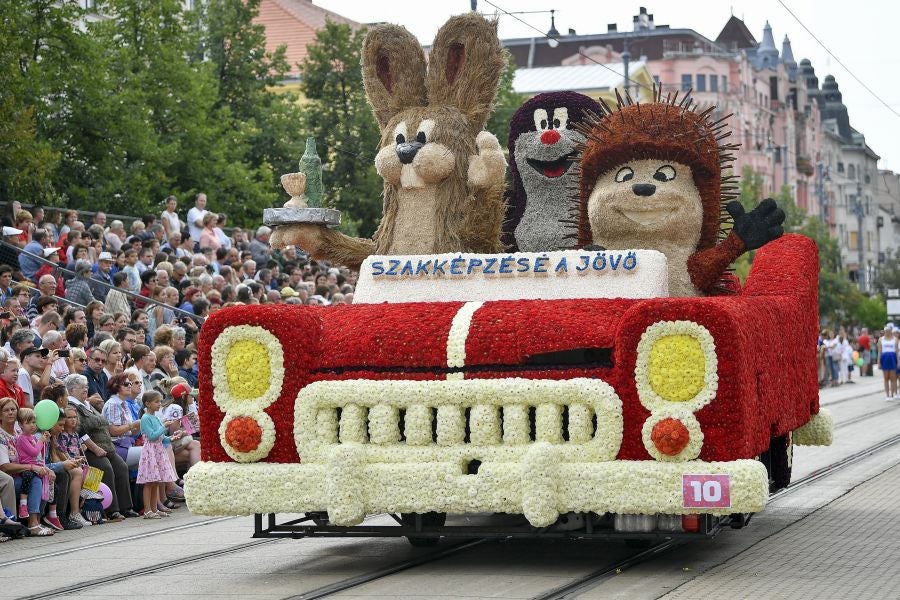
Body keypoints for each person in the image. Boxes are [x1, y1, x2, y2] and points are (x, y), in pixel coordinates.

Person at [65, 374, 137, 520]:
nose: (86, 389)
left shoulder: (86, 404)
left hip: (106, 447)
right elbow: (80, 431)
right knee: (106, 468)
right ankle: (111, 510)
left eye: (86, 386)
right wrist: (95, 448)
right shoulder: (72, 406)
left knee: (121, 467)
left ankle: (126, 507)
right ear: (72, 390)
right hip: (90, 449)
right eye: (81, 387)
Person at [0, 397, 52, 536]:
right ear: (0, 415)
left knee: (49, 475)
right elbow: (4, 467)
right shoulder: (1, 436)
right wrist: (31, 467)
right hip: (11, 479)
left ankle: (41, 520)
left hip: (26, 474)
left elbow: (36, 453)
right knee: (35, 479)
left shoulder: (20, 430)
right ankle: (32, 523)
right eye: (6, 410)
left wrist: (43, 467)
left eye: (13, 409)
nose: (11, 412)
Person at [137, 391, 182, 518]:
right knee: (149, 482)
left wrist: (172, 438)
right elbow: (151, 436)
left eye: (160, 401)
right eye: (156, 402)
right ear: (147, 404)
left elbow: (161, 438)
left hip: (158, 450)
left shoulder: (156, 417)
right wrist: (164, 426)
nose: (159, 404)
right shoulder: (145, 418)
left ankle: (154, 508)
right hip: (150, 452)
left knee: (157, 481)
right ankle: (147, 510)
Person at [103, 373, 143, 468]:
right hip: (116, 447)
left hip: (126, 444)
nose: (129, 386)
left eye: (130, 383)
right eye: (126, 384)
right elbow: (113, 431)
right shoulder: (113, 403)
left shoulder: (123, 403)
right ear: (116, 387)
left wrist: (139, 426)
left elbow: (130, 433)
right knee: (154, 451)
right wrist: (133, 424)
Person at [879, 324, 897, 401]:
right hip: (884, 358)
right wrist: (879, 362)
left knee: (893, 378)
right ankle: (887, 395)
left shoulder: (895, 339)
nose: (887, 332)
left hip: (892, 357)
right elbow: (879, 351)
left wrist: (898, 362)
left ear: (891, 331)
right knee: (886, 377)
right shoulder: (881, 339)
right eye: (886, 331)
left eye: (888, 331)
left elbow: (896, 351)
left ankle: (892, 394)